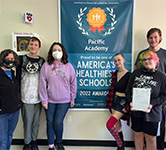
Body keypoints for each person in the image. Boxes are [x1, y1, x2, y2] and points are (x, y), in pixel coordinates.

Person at [39, 42, 77, 150]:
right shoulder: (46, 66)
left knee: (57, 122)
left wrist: (72, 98)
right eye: (54, 50)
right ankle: (51, 145)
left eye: (59, 50)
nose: (57, 52)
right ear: (51, 52)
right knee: (49, 122)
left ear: (63, 52)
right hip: (49, 100)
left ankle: (59, 143)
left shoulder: (68, 66)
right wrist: (44, 100)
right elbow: (42, 84)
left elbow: (73, 83)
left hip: (64, 100)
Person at [126, 50, 166, 150]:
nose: (146, 61)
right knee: (138, 135)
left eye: (149, 59)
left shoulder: (162, 76)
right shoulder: (135, 73)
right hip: (136, 112)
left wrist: (152, 104)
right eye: (144, 59)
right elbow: (128, 90)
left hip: (153, 114)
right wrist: (131, 101)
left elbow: (164, 96)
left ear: (156, 61)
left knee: (151, 138)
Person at [135, 28, 166, 150]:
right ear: (147, 39)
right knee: (140, 129)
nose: (153, 40)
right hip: (142, 100)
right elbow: (137, 74)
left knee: (159, 128)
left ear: (160, 38)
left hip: (159, 99)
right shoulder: (142, 54)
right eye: (150, 37)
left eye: (155, 37)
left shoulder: (165, 54)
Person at [16, 37, 45, 150]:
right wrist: (17, 95)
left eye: (36, 45)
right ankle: (26, 143)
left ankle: (34, 141)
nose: (33, 46)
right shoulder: (21, 59)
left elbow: (44, 79)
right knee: (27, 122)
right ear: (28, 46)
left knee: (36, 122)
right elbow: (17, 78)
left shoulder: (42, 61)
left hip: (38, 96)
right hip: (26, 96)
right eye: (31, 44)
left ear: (39, 47)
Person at [106, 53, 131, 150]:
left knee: (109, 124)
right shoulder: (115, 74)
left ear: (124, 60)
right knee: (117, 124)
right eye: (115, 61)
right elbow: (113, 88)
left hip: (123, 103)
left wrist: (127, 106)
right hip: (114, 100)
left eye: (119, 60)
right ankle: (121, 144)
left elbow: (131, 92)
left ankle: (120, 146)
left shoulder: (129, 75)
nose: (117, 62)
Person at [0, 49, 22, 150]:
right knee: (2, 141)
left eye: (12, 59)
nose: (10, 60)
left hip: (14, 111)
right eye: (7, 58)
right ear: (2, 59)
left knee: (9, 136)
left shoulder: (13, 73)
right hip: (2, 113)